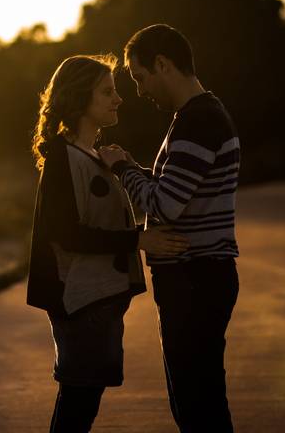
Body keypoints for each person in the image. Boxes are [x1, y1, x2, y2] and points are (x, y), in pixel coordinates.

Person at [25, 53, 189, 433]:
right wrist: (140, 239)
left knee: (83, 399)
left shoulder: (93, 156)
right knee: (79, 400)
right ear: (81, 98)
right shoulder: (62, 158)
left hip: (97, 297)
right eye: (107, 92)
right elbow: (65, 233)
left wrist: (124, 168)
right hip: (79, 299)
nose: (118, 99)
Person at [98, 24, 241, 433]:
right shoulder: (199, 116)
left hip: (195, 278)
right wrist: (135, 167)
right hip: (199, 278)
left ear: (163, 64)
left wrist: (123, 169)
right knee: (201, 400)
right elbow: (177, 189)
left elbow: (167, 205)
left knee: (198, 407)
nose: (139, 91)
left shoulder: (197, 120)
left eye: (140, 77)